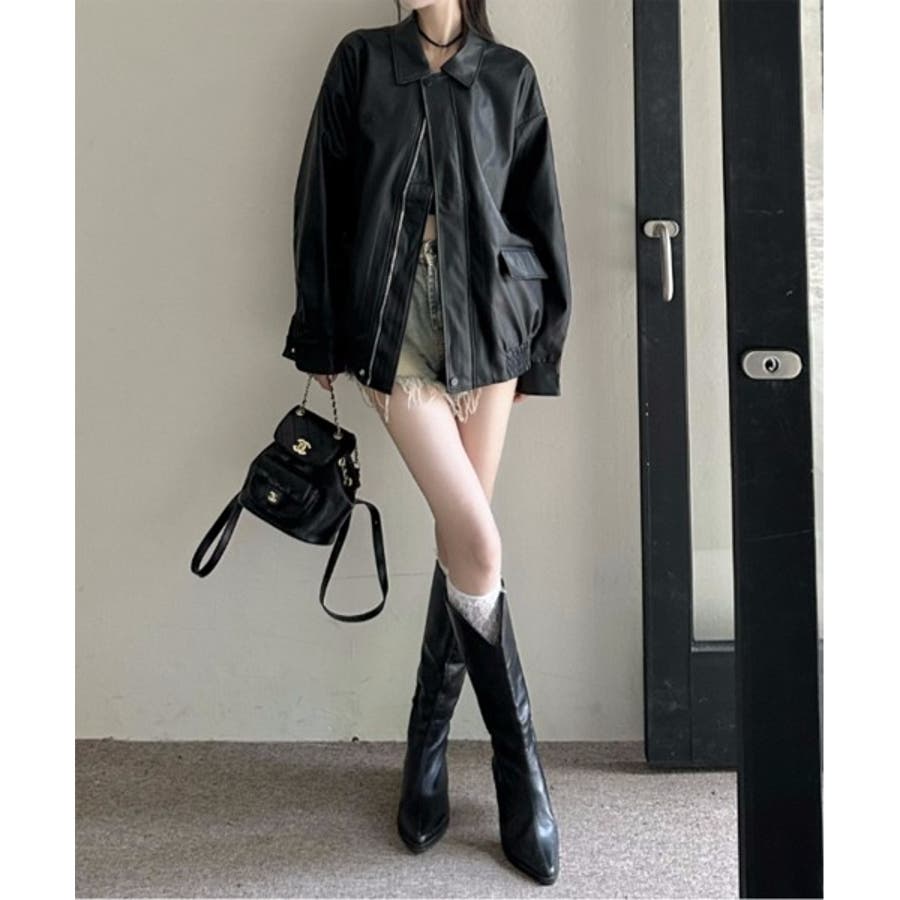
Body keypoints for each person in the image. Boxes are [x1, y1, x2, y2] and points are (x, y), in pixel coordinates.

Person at [282, 0, 572, 885]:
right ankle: (522, 770)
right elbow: (320, 195)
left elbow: (538, 212)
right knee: (478, 539)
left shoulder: (508, 75)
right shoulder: (361, 61)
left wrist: (540, 351)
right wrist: (321, 333)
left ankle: (427, 752)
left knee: (461, 550)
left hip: (491, 326)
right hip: (392, 324)